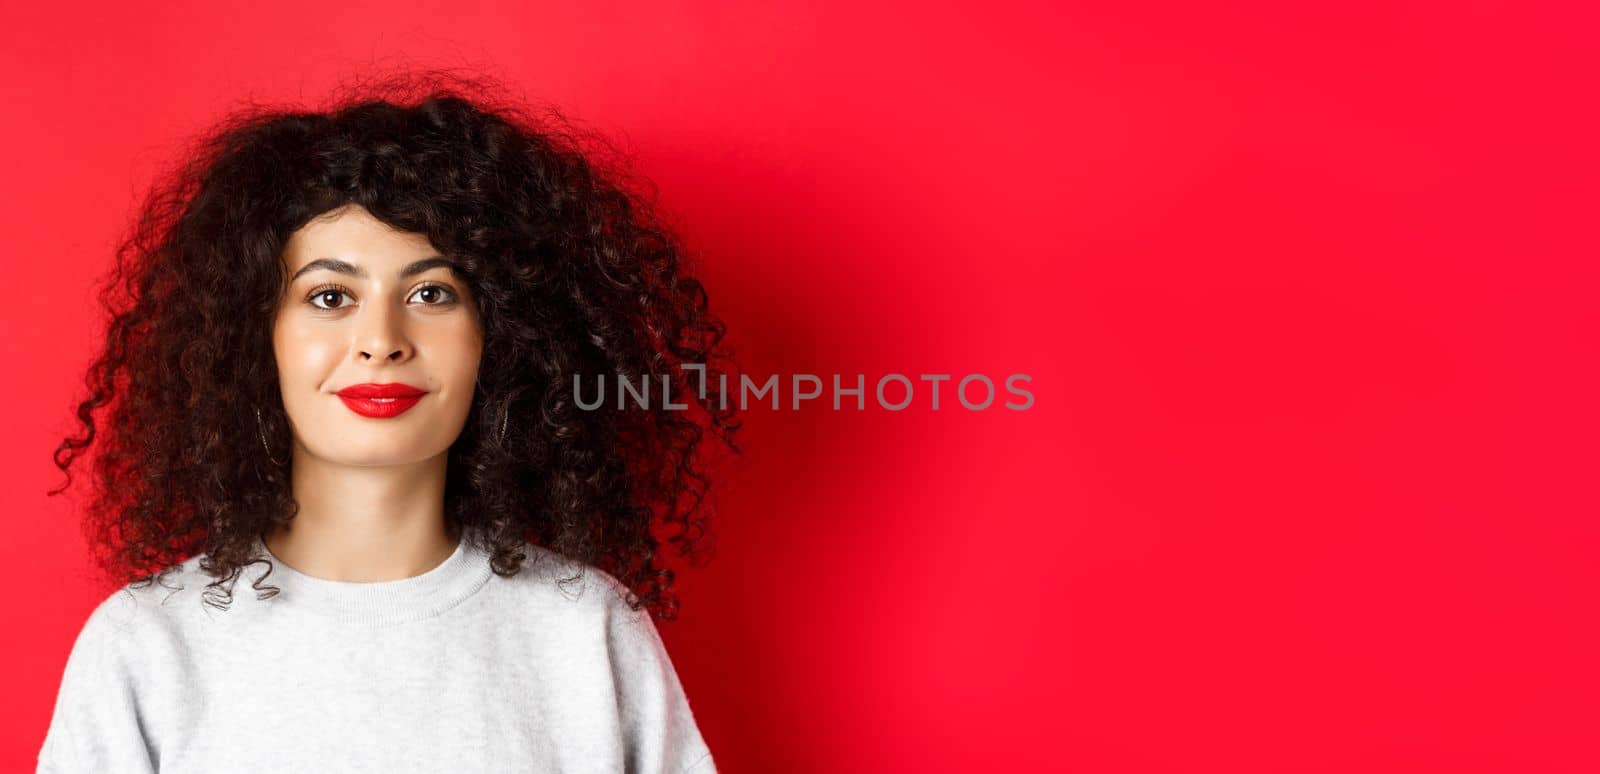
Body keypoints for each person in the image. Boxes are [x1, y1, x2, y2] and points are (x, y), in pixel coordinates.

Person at [39, 71, 741, 773]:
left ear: (499, 337)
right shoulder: (149, 647)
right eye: (330, 295)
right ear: (255, 337)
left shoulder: (587, 629)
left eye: (432, 292)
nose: (382, 339)